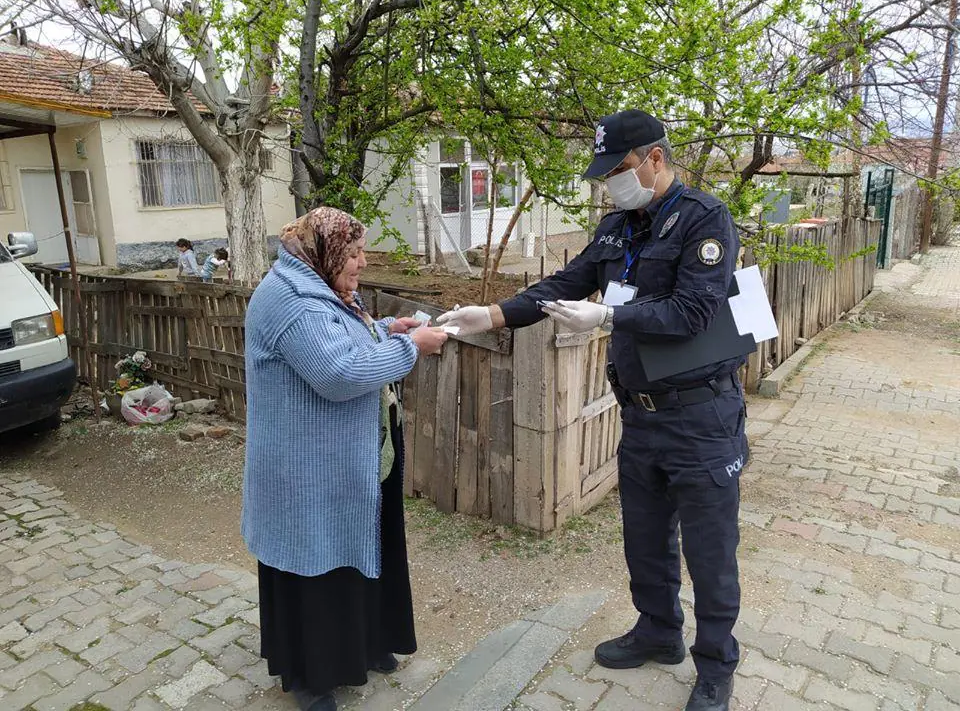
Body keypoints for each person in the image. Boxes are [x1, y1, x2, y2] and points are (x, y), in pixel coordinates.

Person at [438, 109, 747, 711]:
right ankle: (659, 632)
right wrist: (494, 314)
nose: (612, 183)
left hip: (700, 418)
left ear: (655, 159)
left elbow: (694, 313)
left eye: (621, 169)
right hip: (642, 415)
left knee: (710, 550)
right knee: (646, 537)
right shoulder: (617, 227)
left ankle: (716, 666)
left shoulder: (703, 220)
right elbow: (566, 281)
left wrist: (610, 316)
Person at [242, 206, 449, 711]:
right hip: (304, 472)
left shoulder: (316, 287)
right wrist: (412, 348)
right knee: (315, 566)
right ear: (325, 252)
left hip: (344, 464)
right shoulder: (292, 302)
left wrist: (383, 330)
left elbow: (341, 337)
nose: (361, 262)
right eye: (353, 253)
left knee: (353, 555)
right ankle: (311, 678)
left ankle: (364, 647)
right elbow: (336, 374)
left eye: (361, 252)